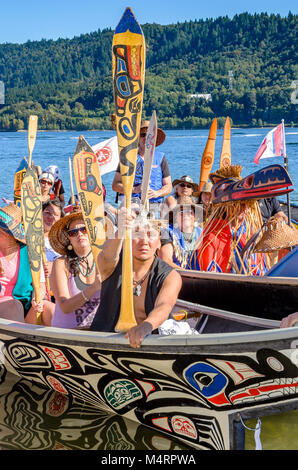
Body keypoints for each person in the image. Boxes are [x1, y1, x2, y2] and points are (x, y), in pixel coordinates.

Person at [90, 208, 182, 348]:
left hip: (153, 342)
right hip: (107, 342)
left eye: (151, 235)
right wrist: (121, 229)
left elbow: (164, 305)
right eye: (137, 234)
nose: (144, 241)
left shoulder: (171, 276)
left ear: (159, 243)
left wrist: (146, 326)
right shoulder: (111, 267)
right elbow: (105, 256)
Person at [48, 211, 101, 329]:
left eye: (84, 229)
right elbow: (65, 306)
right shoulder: (61, 263)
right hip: (68, 333)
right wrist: (94, 288)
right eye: (73, 232)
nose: (80, 234)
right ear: (69, 239)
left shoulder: (102, 260)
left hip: (97, 332)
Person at [0, 203, 48, 323]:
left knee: (49, 309)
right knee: (14, 307)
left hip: (25, 304)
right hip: (6, 305)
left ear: (12, 235)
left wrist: (36, 299)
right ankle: (18, 340)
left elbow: (41, 284)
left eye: (3, 228)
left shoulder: (30, 252)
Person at [112, 120, 172, 215]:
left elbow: (168, 186)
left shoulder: (161, 158)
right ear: (138, 138)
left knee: (169, 210)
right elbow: (115, 185)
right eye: (143, 135)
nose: (146, 138)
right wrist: (135, 189)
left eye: (150, 135)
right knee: (132, 211)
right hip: (131, 202)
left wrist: (157, 193)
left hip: (154, 202)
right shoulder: (127, 157)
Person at [158, 196, 202, 269]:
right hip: (176, 274)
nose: (185, 215)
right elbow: (165, 261)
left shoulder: (201, 232)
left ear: (195, 216)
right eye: (181, 212)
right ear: (175, 216)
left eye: (189, 212)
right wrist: (189, 273)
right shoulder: (166, 232)